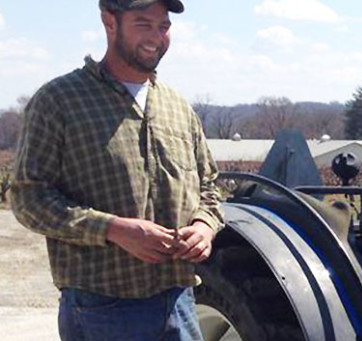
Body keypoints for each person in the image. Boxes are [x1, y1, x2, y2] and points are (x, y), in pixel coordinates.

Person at [10, 0, 222, 340]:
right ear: (110, 22)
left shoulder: (177, 107)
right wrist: (113, 229)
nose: (156, 36)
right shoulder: (59, 101)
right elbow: (27, 198)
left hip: (180, 302)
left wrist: (204, 226)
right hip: (102, 308)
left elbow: (210, 185)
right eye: (143, 24)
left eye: (163, 26)